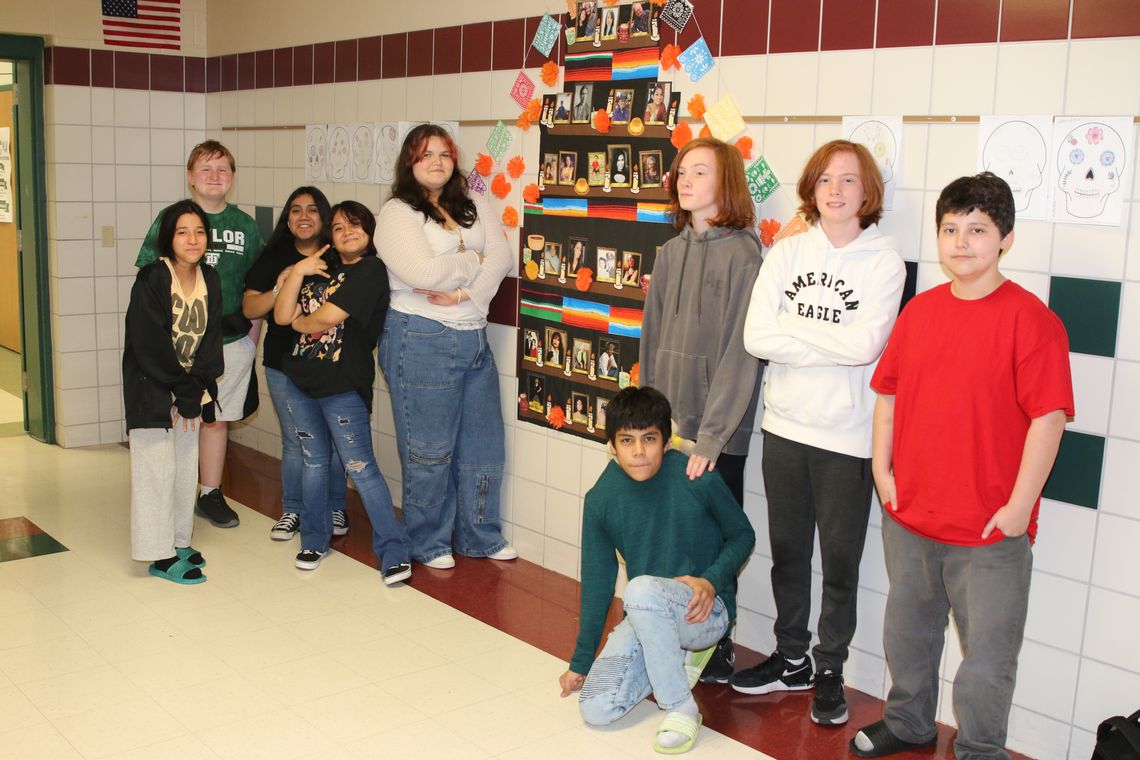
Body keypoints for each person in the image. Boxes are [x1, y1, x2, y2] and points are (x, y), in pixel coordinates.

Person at [851, 173, 1072, 758]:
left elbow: (1049, 420)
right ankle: (908, 723)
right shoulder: (920, 313)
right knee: (909, 636)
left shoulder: (1031, 321)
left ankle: (979, 750)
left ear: (1006, 238)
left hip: (990, 529)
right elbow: (889, 395)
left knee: (987, 661)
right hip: (911, 517)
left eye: (977, 229)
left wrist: (1019, 508)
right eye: (950, 229)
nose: (961, 242)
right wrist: (883, 473)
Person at [735, 140, 906, 726]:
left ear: (868, 193)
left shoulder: (885, 260)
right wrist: (821, 343)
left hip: (848, 438)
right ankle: (791, 659)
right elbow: (757, 337)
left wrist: (793, 327)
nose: (835, 190)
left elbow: (866, 347)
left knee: (839, 561)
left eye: (849, 181)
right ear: (812, 188)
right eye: (826, 179)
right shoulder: (786, 252)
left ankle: (829, 668)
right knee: (787, 553)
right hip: (783, 427)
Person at [559, 387, 755, 754]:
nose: (638, 451)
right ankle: (670, 657)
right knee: (596, 709)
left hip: (703, 611)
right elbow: (598, 585)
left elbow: (742, 535)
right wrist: (580, 662)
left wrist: (711, 581)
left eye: (649, 439)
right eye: (627, 440)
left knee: (639, 591)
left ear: (666, 442)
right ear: (612, 446)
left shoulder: (697, 477)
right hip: (647, 612)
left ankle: (681, 707)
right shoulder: (600, 500)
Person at [639, 136, 764, 684]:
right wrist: (650, 425)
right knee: (670, 535)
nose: (685, 180)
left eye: (699, 171)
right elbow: (651, 340)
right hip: (670, 431)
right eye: (681, 172)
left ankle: (719, 644)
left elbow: (743, 354)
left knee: (715, 544)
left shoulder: (745, 253)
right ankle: (668, 632)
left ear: (726, 182)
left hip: (716, 434)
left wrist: (711, 437)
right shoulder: (669, 253)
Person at [377, 123, 516, 570]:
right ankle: (430, 541)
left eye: (444, 153)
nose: (437, 162)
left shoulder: (474, 202)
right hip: (420, 337)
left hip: (473, 332)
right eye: (425, 155)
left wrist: (465, 292)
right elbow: (422, 273)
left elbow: (502, 258)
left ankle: (481, 535)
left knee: (483, 444)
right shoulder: (398, 213)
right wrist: (471, 262)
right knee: (429, 449)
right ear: (409, 163)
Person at [273, 201, 413, 585]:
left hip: (343, 385)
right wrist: (299, 271)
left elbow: (327, 317)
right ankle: (314, 541)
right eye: (337, 227)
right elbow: (281, 316)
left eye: (354, 225)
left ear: (369, 231)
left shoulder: (371, 270)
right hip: (301, 382)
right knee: (314, 462)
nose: (346, 232)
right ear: (330, 237)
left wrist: (302, 324)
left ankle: (394, 552)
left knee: (359, 467)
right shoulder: (321, 269)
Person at [136, 140, 263, 530]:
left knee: (215, 420)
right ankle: (171, 493)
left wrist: (250, 341)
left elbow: (257, 288)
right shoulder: (171, 219)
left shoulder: (246, 226)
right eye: (205, 169)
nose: (214, 176)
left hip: (229, 343)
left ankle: (209, 493)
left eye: (222, 169)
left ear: (233, 178)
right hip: (179, 346)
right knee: (177, 418)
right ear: (190, 177)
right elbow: (148, 276)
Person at [242, 187, 351, 543]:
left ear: (324, 216)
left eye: (312, 210)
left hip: (328, 364)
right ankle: (293, 509)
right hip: (282, 363)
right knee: (296, 442)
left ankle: (335, 506)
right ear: (287, 219)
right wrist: (282, 285)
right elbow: (250, 309)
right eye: (295, 210)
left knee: (333, 442)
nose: (303, 216)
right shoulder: (272, 256)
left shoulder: (340, 256)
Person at [124, 201, 223, 584]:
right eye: (182, 232)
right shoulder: (152, 277)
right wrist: (179, 387)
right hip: (152, 388)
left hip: (190, 390)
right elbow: (147, 341)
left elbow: (211, 337)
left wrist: (196, 385)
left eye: (199, 231)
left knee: (184, 469)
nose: (192, 239)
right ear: (169, 238)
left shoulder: (209, 279)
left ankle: (179, 540)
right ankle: (157, 553)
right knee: (155, 472)